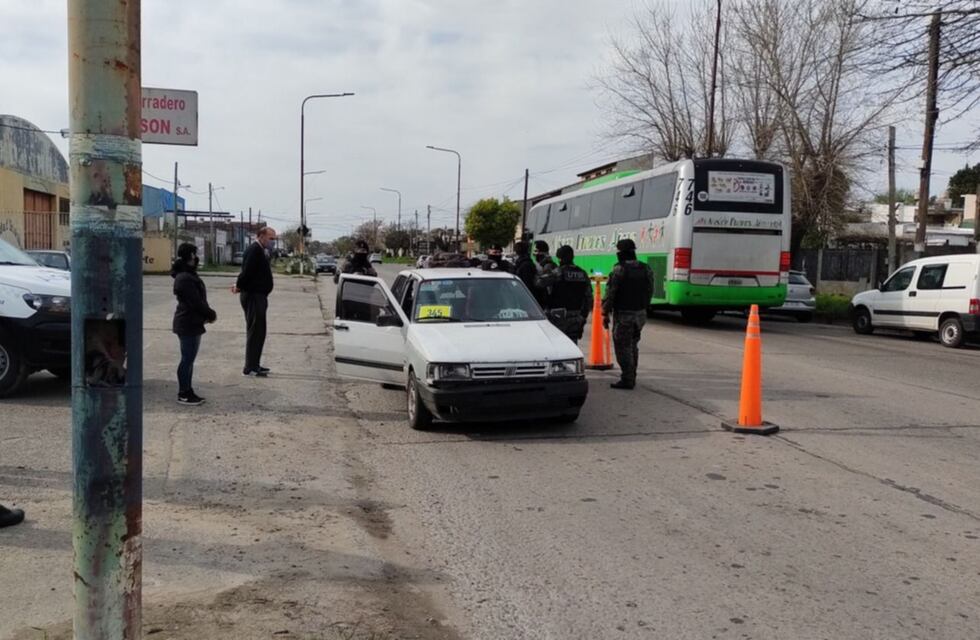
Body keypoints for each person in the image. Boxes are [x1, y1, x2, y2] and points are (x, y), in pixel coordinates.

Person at [602, 238, 654, 390]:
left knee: (623, 347)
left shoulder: (619, 269)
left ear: (621, 253)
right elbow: (650, 290)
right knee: (633, 345)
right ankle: (632, 376)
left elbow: (611, 293)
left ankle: (627, 379)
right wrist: (644, 307)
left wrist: (605, 312)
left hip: (624, 314)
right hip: (640, 314)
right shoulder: (646, 268)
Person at [172, 243, 217, 405]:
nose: (196, 258)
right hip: (187, 323)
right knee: (187, 359)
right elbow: (195, 302)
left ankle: (188, 389)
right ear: (190, 256)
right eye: (195, 254)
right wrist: (210, 314)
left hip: (192, 322)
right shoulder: (184, 278)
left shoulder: (188, 275)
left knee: (189, 359)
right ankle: (183, 393)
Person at [232, 226, 277, 377]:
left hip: (259, 296)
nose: (273, 242)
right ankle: (250, 367)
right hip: (253, 296)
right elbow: (246, 273)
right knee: (255, 331)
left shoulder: (261, 251)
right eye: (271, 239)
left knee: (260, 331)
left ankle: (255, 363)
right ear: (261, 236)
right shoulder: (254, 250)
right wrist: (238, 286)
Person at [537, 245, 592, 342]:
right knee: (572, 345)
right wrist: (583, 318)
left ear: (559, 258)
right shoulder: (582, 273)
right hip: (576, 317)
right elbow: (588, 298)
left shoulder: (558, 272)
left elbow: (539, 283)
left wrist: (544, 267)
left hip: (559, 317)